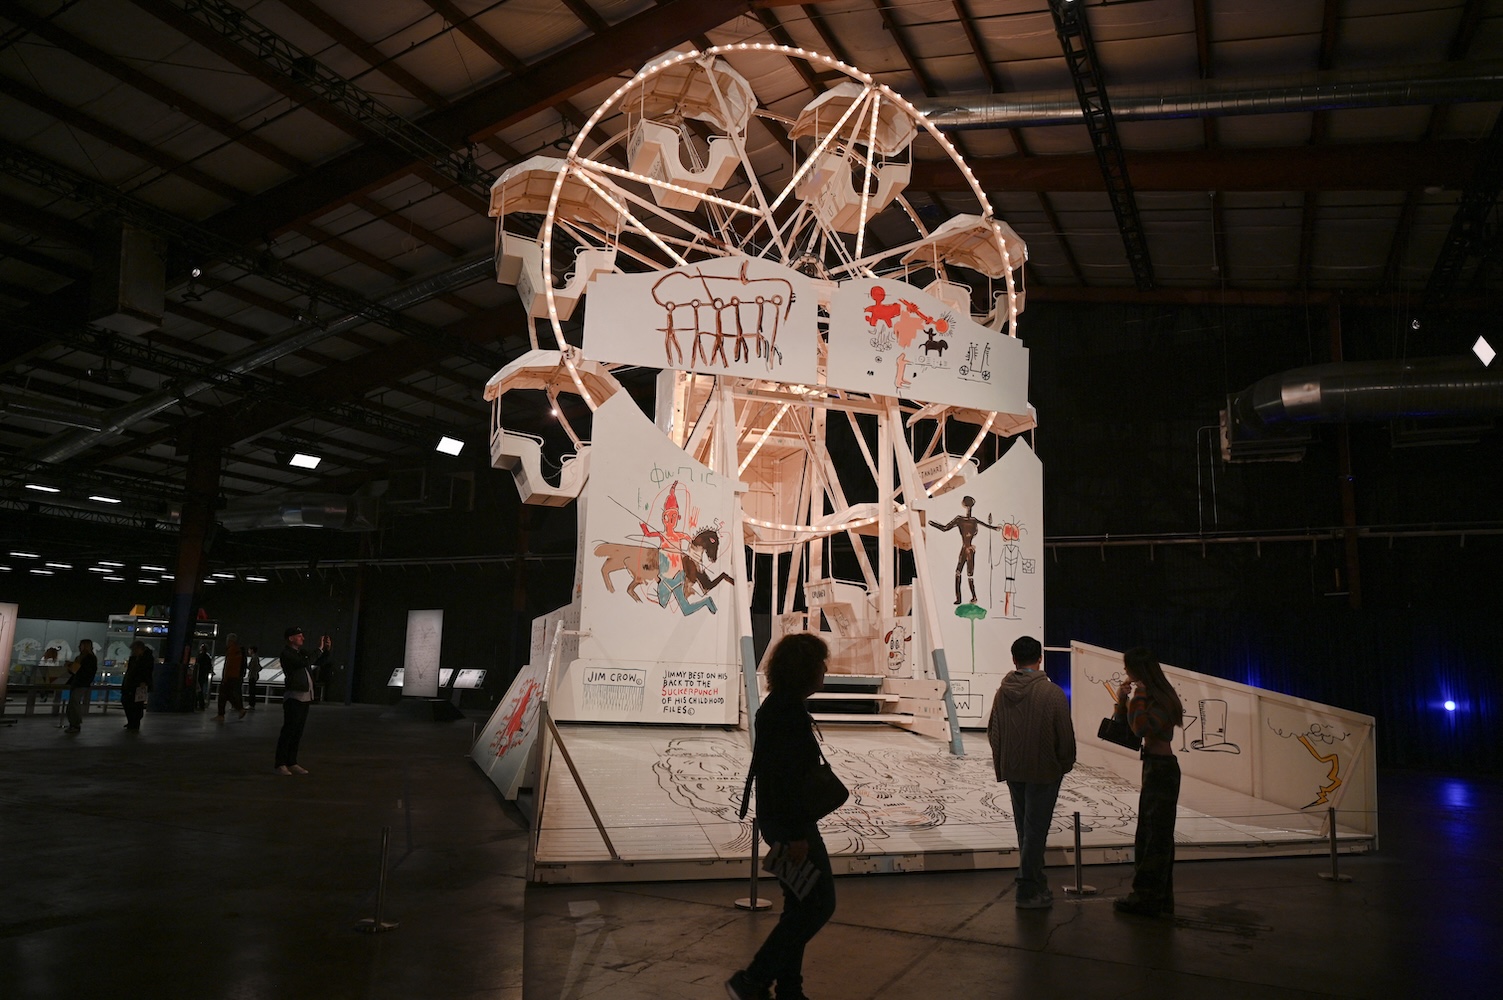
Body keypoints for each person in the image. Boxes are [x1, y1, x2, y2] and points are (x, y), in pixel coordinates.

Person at [727, 633, 836, 1000]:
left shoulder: (778, 707)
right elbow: (787, 780)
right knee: (819, 903)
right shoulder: (787, 714)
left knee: (798, 904)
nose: (825, 668)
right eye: (820, 662)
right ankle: (753, 979)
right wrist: (796, 837)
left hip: (779, 822)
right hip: (792, 826)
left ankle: (790, 988)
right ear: (804, 668)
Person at [987, 635, 1076, 909]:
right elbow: (1065, 735)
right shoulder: (1052, 693)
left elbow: (994, 732)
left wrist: (1003, 763)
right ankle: (1027, 890)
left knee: (1026, 830)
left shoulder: (1003, 692)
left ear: (1014, 659)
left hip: (1014, 768)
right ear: (1040, 658)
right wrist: (1064, 764)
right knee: (1036, 830)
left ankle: (1037, 884)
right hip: (1045, 769)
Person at [1113, 646, 1185, 918]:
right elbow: (1127, 727)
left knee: (1155, 838)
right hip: (1155, 768)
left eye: (1128, 667)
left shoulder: (1160, 699)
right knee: (1152, 835)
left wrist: (1138, 694)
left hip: (1162, 770)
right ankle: (1157, 898)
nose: (1125, 672)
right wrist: (1123, 700)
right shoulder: (1155, 696)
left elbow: (1142, 728)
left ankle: (1147, 899)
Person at [274, 627, 331, 776]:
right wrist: (319, 649)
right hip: (294, 697)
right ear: (290, 638)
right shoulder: (287, 654)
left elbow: (317, 660)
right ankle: (280, 764)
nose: (303, 638)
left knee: (297, 732)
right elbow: (303, 662)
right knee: (288, 731)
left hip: (305, 697)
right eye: (299, 636)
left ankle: (292, 762)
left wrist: (326, 650)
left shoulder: (301, 654)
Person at [931, 495, 1002, 605]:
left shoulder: (960, 519)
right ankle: (973, 597)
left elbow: (944, 528)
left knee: (959, 573)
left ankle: (961, 598)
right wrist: (994, 528)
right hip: (970, 549)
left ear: (964, 505)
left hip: (965, 548)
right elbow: (987, 526)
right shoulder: (973, 521)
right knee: (969, 574)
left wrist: (932, 523)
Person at [63, 639, 98, 733]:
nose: (79, 647)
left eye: (81, 645)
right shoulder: (83, 658)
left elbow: (81, 671)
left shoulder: (88, 658)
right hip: (78, 683)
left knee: (74, 702)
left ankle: (75, 723)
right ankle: (73, 723)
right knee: (72, 703)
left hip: (81, 683)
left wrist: (71, 666)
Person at [120, 640, 154, 731]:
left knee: (136, 705)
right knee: (127, 702)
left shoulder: (147, 659)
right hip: (131, 684)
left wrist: (144, 681)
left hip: (139, 685)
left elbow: (147, 671)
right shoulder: (134, 659)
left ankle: (134, 723)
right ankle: (131, 721)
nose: (133, 651)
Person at [214, 633, 246, 721]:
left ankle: (221, 715)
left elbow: (228, 665)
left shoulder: (231, 650)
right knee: (228, 695)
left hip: (230, 676)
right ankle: (239, 709)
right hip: (235, 676)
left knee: (223, 695)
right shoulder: (239, 650)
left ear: (230, 641)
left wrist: (225, 676)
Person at [194, 643, 213, 711]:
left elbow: (197, 665)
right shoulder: (207, 657)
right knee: (200, 689)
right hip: (204, 675)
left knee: (197, 690)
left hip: (199, 675)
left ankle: (196, 704)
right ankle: (201, 704)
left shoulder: (199, 656)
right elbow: (209, 666)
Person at [245, 646, 261, 710]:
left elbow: (251, 667)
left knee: (251, 690)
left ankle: (251, 704)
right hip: (254, 675)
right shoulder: (256, 657)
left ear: (252, 650)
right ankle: (252, 704)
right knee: (252, 690)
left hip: (252, 676)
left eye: (249, 650)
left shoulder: (254, 658)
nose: (248, 651)